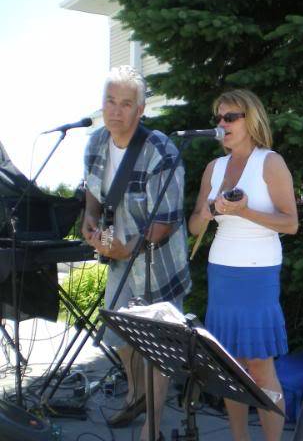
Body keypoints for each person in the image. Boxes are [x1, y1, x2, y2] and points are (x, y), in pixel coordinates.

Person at [82, 65, 191, 440]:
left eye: (126, 104)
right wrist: (90, 220)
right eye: (110, 101)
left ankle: (154, 426)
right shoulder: (96, 142)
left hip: (159, 263)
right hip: (120, 261)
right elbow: (94, 191)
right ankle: (136, 396)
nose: (115, 110)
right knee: (121, 335)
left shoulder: (161, 149)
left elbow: (167, 220)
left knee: (158, 348)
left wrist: (126, 249)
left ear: (140, 110)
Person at [188, 89, 298, 441]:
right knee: (229, 365)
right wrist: (209, 211)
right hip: (221, 270)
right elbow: (194, 226)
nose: (222, 124)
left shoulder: (271, 162)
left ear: (251, 119)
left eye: (230, 117)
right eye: (219, 119)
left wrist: (244, 210)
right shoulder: (213, 168)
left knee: (260, 365)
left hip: (258, 272)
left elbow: (290, 223)